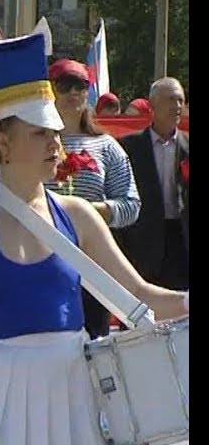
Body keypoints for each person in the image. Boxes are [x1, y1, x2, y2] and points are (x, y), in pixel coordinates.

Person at [0, 33, 188, 445]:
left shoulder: (79, 214)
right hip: (2, 393)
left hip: (71, 390)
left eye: (55, 132)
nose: (56, 144)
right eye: (40, 134)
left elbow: (141, 293)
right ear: (3, 142)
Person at [45, 58, 141, 339]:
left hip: (93, 262)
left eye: (81, 85)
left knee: (94, 348)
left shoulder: (107, 146)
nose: (74, 93)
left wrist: (96, 211)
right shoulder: (34, 141)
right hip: (42, 257)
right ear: (51, 89)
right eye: (65, 85)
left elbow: (131, 204)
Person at [115, 77, 189, 292]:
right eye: (170, 100)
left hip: (181, 240)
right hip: (143, 241)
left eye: (180, 100)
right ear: (153, 105)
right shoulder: (129, 147)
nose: (176, 106)